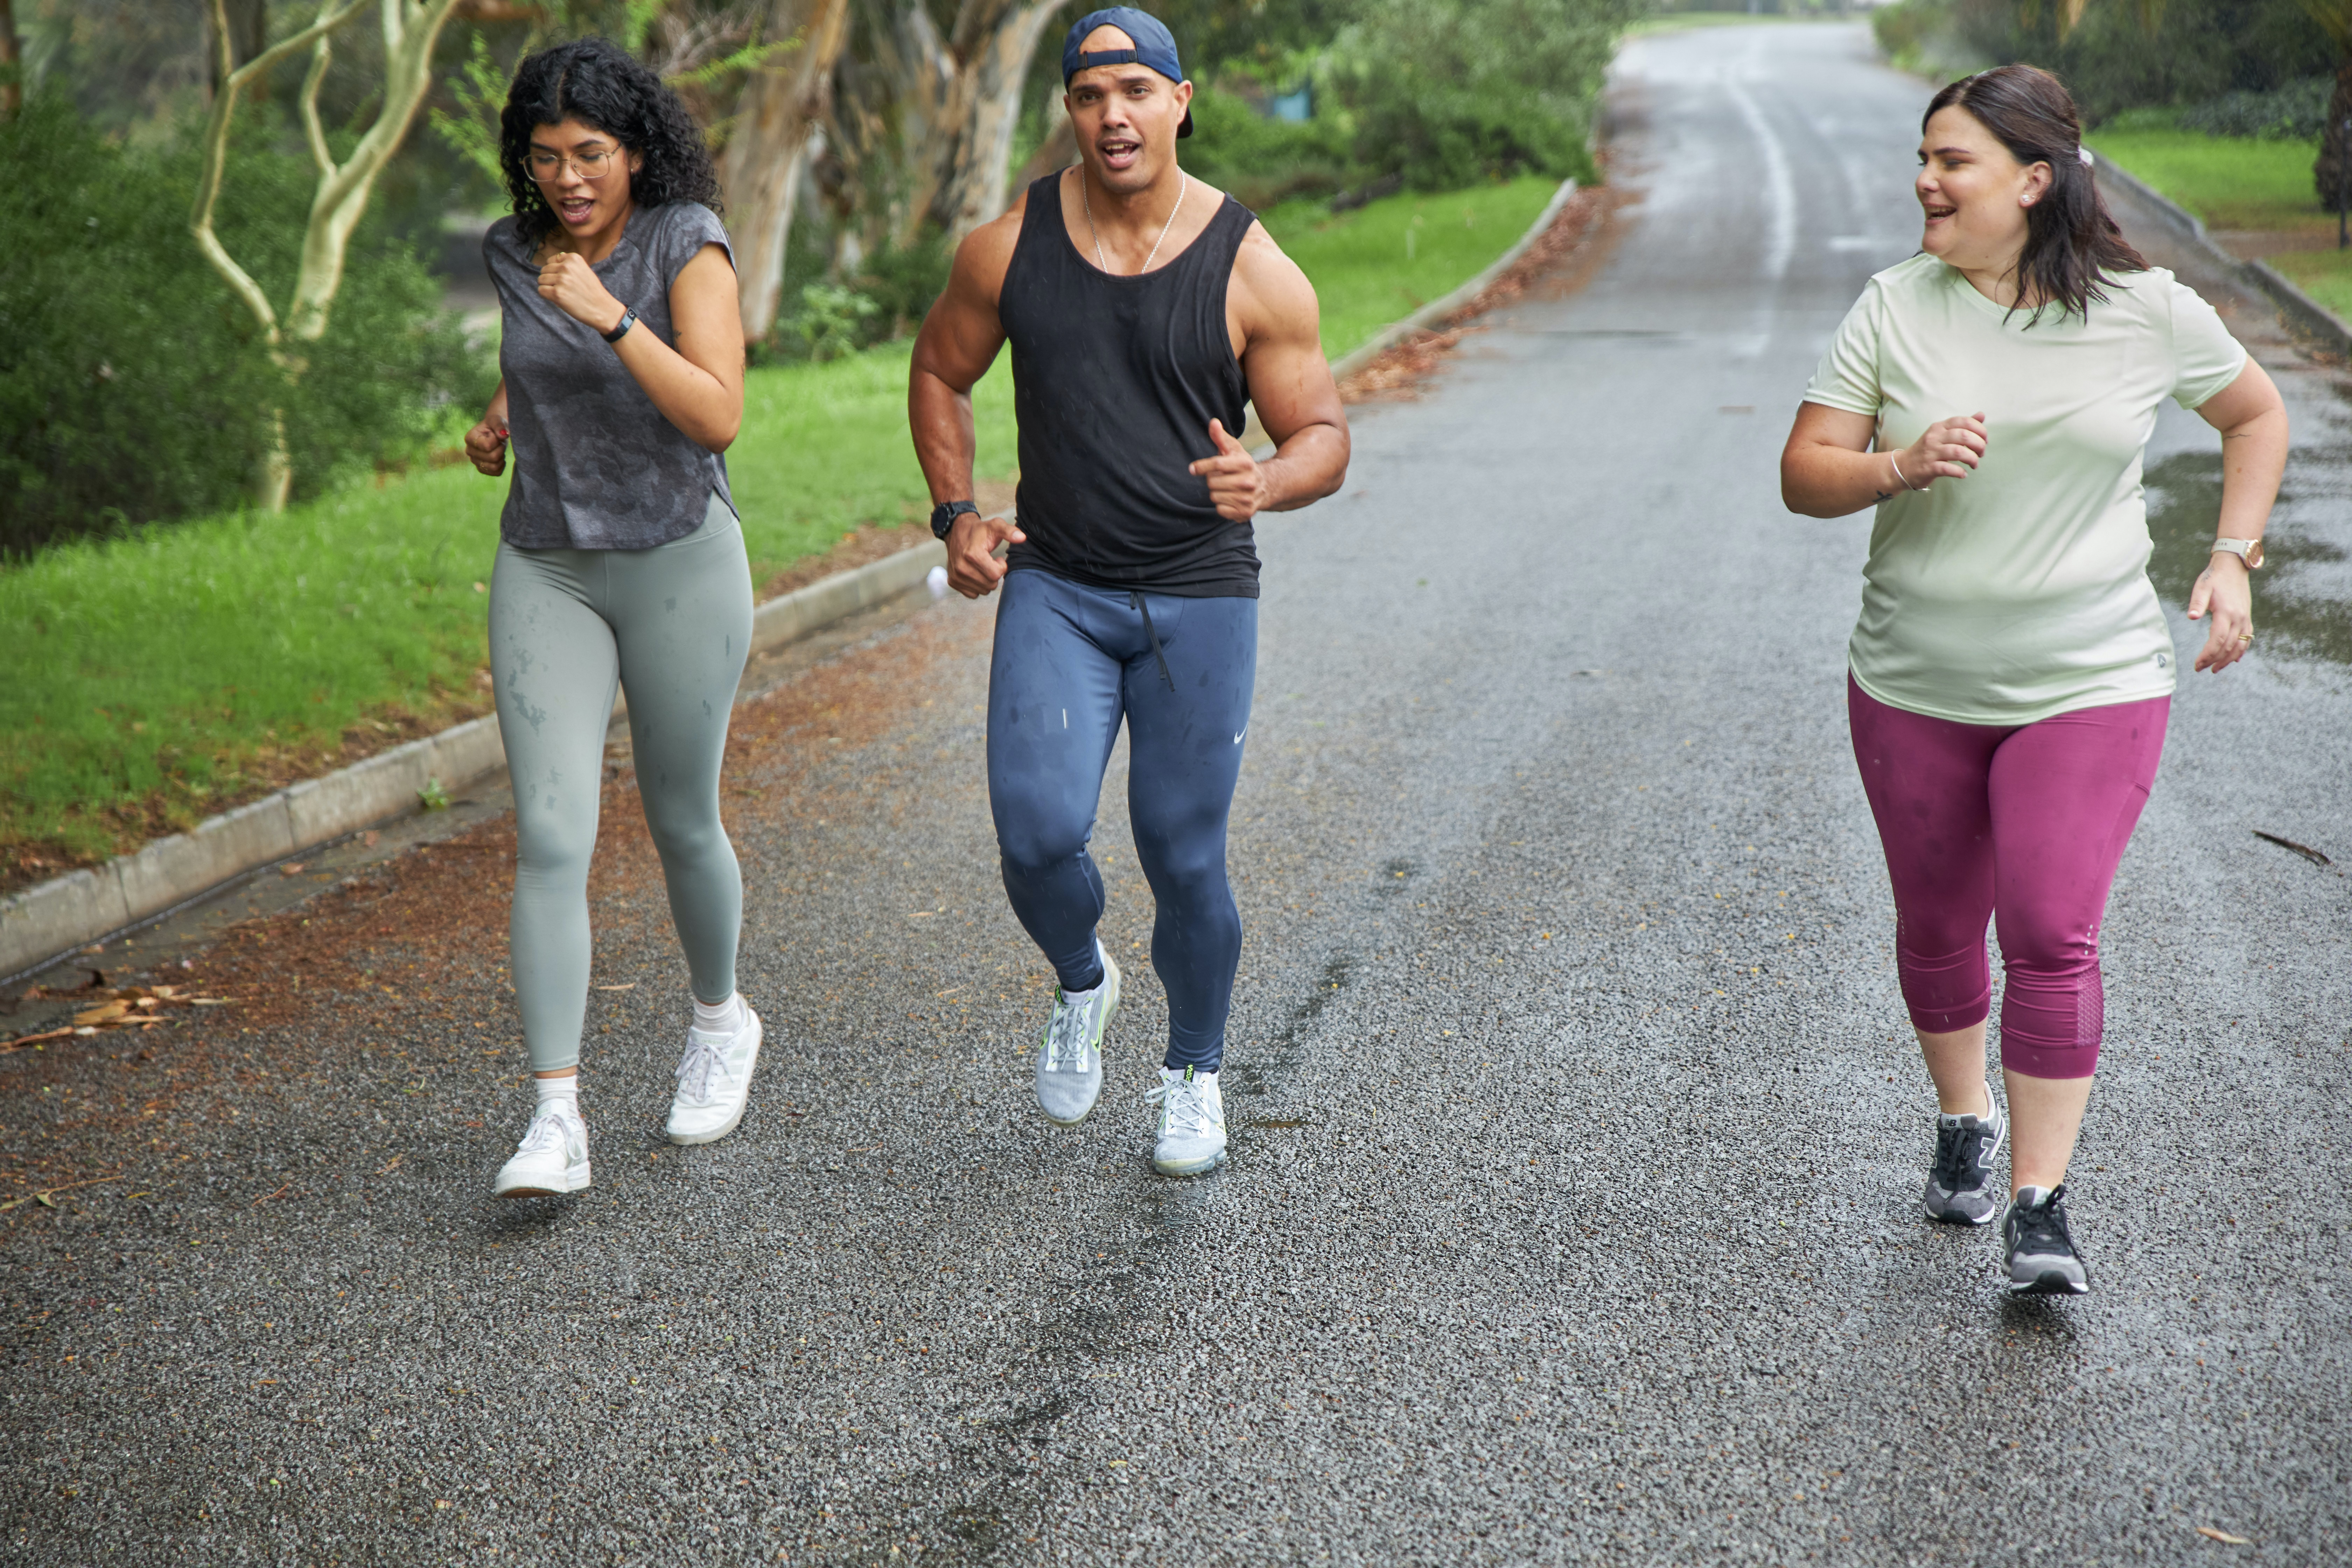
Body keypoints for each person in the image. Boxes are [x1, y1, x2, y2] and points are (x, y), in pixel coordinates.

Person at [1781, 65, 2287, 1294]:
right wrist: (1898, 468)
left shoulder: (2147, 310)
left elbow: (2257, 414)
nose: (1926, 181)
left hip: (2094, 675)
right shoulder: (1894, 307)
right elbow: (1805, 473)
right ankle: (1964, 1120)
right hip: (1915, 676)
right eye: (1925, 157)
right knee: (1940, 926)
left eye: (1952, 161)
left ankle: (2041, 1205)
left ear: (2033, 178)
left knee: (2053, 930)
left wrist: (2232, 560)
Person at [908, 7, 1349, 1176]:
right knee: (1039, 832)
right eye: (1092, 94)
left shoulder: (1252, 266)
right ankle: (1083, 980)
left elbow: (1324, 435)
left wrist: (1270, 476)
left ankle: (1194, 1071)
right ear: (1070, 109)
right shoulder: (1007, 249)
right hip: (1058, 580)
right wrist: (957, 513)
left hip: (1200, 592)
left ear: (1181, 100)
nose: (1115, 115)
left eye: (1138, 92)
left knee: (1182, 851)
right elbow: (941, 371)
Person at [462, 37, 764, 1198]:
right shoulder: (512, 251)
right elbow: (531, 365)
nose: (569, 179)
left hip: (680, 557)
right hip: (549, 565)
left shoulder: (685, 243)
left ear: (637, 150)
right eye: (546, 158)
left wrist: (611, 319)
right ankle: (555, 1118)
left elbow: (719, 414)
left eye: (591, 153)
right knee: (550, 837)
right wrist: (497, 422)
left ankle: (720, 1021)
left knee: (683, 819)